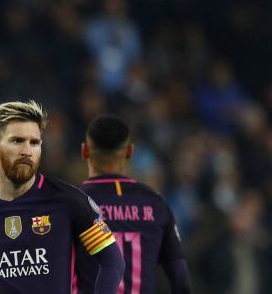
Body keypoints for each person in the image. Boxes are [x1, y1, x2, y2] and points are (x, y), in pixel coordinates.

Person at [0, 100, 124, 293]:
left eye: (34, 143)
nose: (27, 151)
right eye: (17, 141)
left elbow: (112, 260)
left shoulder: (68, 201)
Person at [75, 115, 191, 293]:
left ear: (85, 151)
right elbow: (180, 280)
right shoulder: (156, 204)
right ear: (129, 151)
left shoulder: (73, 203)